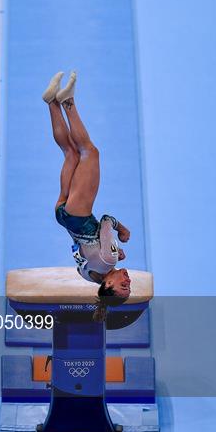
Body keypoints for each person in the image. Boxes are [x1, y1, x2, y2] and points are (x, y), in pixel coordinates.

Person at [42, 70, 131, 321]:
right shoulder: (88, 275)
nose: (128, 279)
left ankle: (68, 103)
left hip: (80, 214)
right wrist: (106, 248)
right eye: (129, 285)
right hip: (64, 216)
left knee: (90, 152)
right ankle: (52, 103)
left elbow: (105, 220)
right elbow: (82, 251)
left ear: (108, 286)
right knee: (69, 153)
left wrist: (121, 232)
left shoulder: (108, 259)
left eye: (123, 285)